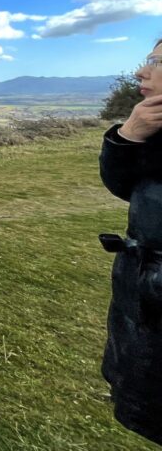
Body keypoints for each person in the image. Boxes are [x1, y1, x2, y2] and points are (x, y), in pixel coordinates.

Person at [99, 38, 162, 445]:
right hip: (143, 294)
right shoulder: (153, 124)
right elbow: (126, 187)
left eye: (156, 62)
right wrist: (127, 136)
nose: (142, 71)